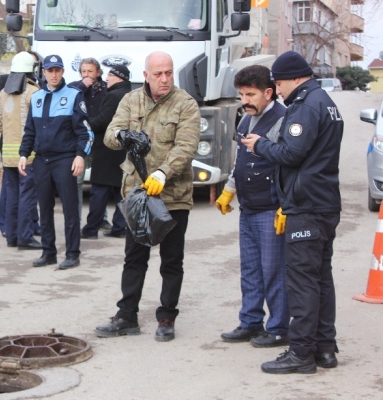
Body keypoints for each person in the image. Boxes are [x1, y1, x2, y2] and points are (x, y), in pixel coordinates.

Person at [241, 51, 343, 374]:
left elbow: (291, 153)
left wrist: (260, 146)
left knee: (302, 282)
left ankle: (300, 352)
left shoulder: (306, 106)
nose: (278, 90)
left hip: (307, 206)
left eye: (280, 83)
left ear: (295, 78)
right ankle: (324, 348)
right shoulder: (325, 102)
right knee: (320, 279)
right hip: (324, 204)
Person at [95, 51, 200, 341]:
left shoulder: (185, 104)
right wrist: (123, 137)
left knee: (171, 260)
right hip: (138, 194)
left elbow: (186, 146)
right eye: (158, 74)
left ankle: (167, 317)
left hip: (173, 195)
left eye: (169, 72)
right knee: (134, 257)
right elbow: (109, 134)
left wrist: (164, 172)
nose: (165, 79)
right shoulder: (131, 100)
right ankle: (127, 315)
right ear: (146, 76)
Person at [215, 65, 289, 348]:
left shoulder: (283, 120)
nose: (245, 100)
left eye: (251, 94)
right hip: (248, 207)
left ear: (268, 93)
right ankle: (250, 322)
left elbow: (290, 164)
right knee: (251, 270)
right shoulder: (246, 120)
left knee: (274, 272)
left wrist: (286, 205)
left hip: (272, 209)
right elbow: (240, 162)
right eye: (242, 94)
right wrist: (229, 190)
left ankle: (279, 328)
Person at [18, 54, 93, 270]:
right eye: (50, 70)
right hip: (41, 161)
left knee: (70, 209)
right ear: (44, 72)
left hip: (64, 160)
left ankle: (72, 254)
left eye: (57, 70)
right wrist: (24, 153)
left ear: (62, 72)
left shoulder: (74, 95)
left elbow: (85, 132)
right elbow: (30, 130)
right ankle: (48, 252)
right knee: (45, 207)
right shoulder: (37, 97)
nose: (53, 74)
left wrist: (80, 155)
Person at [0, 51, 42, 250]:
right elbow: (41, 123)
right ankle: (25, 237)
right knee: (27, 197)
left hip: (8, 155)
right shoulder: (34, 92)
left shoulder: (2, 93)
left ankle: (11, 237)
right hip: (28, 155)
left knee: (11, 197)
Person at [80, 65, 132, 240]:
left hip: (108, 150)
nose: (107, 78)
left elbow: (103, 121)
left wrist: (84, 125)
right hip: (125, 150)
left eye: (110, 75)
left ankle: (91, 229)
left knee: (99, 191)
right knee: (121, 192)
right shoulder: (132, 95)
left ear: (119, 77)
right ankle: (119, 227)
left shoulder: (113, 96)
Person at [68, 57, 108, 224]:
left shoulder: (107, 89)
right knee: (77, 180)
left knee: (100, 181)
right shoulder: (74, 88)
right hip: (81, 141)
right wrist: (83, 87)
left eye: (90, 71)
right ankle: (76, 219)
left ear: (98, 72)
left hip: (100, 139)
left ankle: (101, 219)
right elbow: (67, 98)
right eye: (83, 71)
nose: (87, 74)